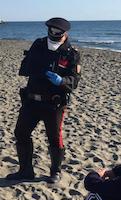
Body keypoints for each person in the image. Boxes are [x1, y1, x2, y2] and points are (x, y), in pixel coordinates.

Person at [6, 17, 81, 183]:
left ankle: (55, 172)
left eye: (57, 32)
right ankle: (25, 171)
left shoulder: (71, 54)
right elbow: (24, 68)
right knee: (21, 133)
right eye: (51, 31)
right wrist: (37, 70)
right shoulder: (38, 45)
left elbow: (74, 81)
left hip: (54, 104)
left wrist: (62, 81)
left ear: (65, 33)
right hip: (31, 100)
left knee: (54, 138)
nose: (53, 34)